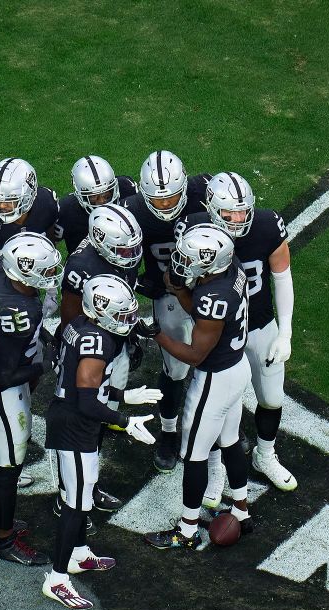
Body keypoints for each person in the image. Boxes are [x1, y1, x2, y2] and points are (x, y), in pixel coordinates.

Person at [44, 275, 160, 608]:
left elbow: (84, 385)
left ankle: (78, 554)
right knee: (77, 501)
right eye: (121, 315)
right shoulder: (98, 342)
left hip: (70, 413)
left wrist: (125, 394)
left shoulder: (79, 325)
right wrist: (126, 421)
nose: (127, 321)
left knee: (80, 494)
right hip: (75, 424)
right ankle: (57, 578)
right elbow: (86, 400)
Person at [181, 171, 297, 495]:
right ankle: (215, 470)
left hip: (258, 321)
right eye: (229, 212)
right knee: (220, 406)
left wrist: (285, 331)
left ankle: (266, 454)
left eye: (242, 210)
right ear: (210, 208)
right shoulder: (195, 232)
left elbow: (282, 277)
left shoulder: (265, 225)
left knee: (272, 398)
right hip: (216, 329)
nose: (237, 218)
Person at [140, 223, 254, 550]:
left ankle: (187, 530)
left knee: (193, 454)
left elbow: (194, 354)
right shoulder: (230, 270)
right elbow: (202, 311)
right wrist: (180, 290)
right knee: (230, 440)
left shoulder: (214, 296)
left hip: (214, 379)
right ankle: (241, 509)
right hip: (236, 367)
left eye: (191, 260)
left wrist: (155, 334)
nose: (182, 263)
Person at [0, 232, 63, 565]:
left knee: (3, 459)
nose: (50, 278)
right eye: (44, 271)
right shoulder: (16, 309)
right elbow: (3, 375)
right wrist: (47, 361)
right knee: (9, 465)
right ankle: (4, 540)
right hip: (0, 389)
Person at [121, 151, 211, 471]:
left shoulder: (205, 196)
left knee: (220, 359)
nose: (164, 206)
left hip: (207, 287)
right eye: (156, 201)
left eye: (171, 198)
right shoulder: (131, 212)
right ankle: (169, 432)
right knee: (176, 369)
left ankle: (223, 427)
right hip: (169, 291)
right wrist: (143, 284)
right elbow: (120, 262)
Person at [54, 203, 144, 522]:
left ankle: (86, 489)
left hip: (112, 342)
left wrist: (130, 334)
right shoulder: (82, 265)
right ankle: (67, 495)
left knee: (98, 416)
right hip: (90, 348)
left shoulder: (121, 253)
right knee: (84, 414)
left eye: (132, 246)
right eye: (123, 248)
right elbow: (71, 318)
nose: (131, 253)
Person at [0, 157, 60, 281]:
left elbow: (49, 245)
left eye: (10, 200)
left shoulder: (46, 203)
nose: (1, 206)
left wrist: (50, 291)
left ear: (29, 195)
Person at [56, 155, 138, 249]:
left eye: (106, 195)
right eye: (94, 197)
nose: (102, 201)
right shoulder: (66, 210)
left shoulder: (127, 189)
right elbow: (50, 243)